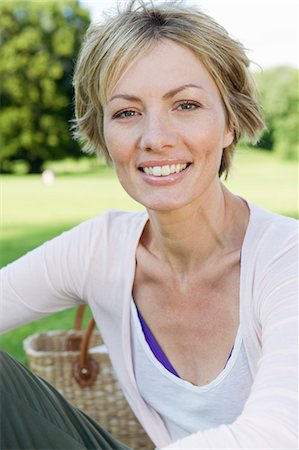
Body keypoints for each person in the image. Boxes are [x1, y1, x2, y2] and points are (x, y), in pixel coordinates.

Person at [1, 0, 298, 448]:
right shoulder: (99, 250)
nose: (155, 138)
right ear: (101, 132)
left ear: (230, 124)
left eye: (186, 104)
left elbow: (278, 433)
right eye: (126, 112)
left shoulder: (286, 259)